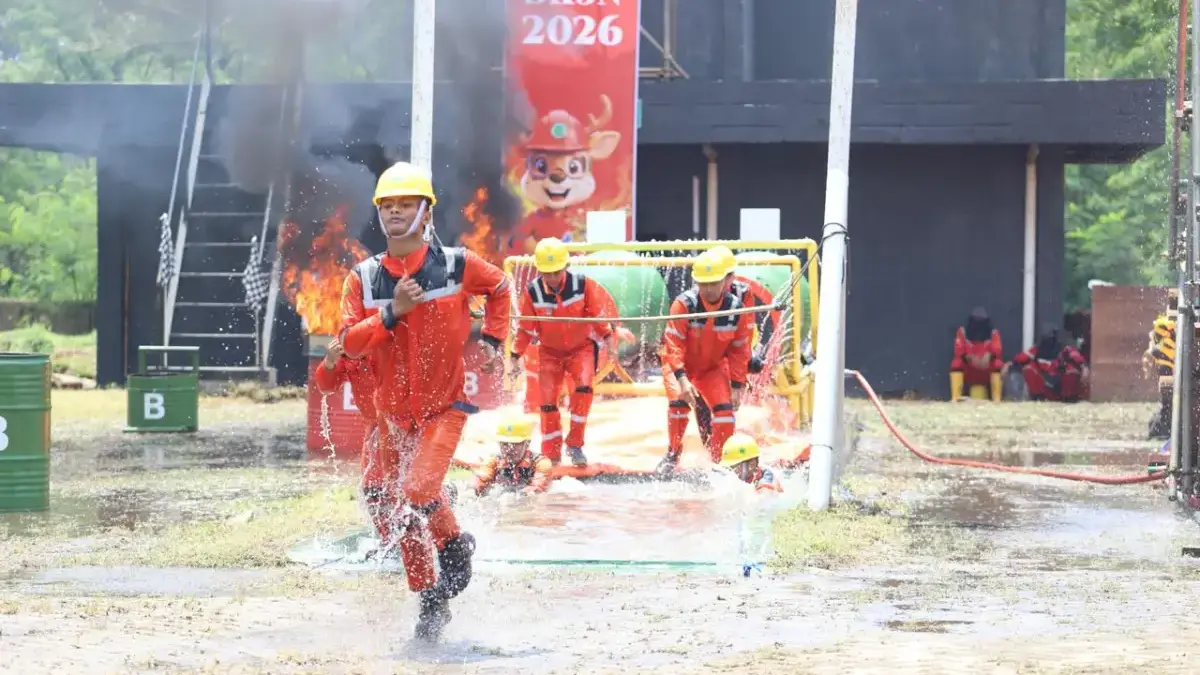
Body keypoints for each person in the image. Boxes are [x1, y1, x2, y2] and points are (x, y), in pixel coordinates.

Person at [338, 161, 511, 641]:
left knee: (417, 493)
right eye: (387, 206)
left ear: (426, 210)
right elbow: (349, 343)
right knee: (381, 500)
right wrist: (394, 312)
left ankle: (455, 542)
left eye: (406, 205)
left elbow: (500, 287)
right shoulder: (364, 277)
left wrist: (495, 342)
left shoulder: (456, 265)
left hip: (443, 411)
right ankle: (429, 596)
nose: (395, 213)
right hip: (390, 419)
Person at [509, 237, 615, 467]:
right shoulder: (532, 293)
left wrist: (609, 341)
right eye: (548, 273)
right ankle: (551, 453)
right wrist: (514, 356)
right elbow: (525, 330)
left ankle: (575, 445)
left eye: (557, 271)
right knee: (547, 403)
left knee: (584, 389)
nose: (553, 278)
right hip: (550, 352)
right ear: (539, 270)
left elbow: (598, 317)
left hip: (581, 349)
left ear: (566, 266)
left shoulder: (582, 285)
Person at [656, 249, 754, 474]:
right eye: (703, 284)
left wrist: (738, 384)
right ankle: (672, 453)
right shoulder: (683, 305)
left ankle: (721, 463)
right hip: (679, 367)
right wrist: (682, 379)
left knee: (725, 412)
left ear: (725, 281)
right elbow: (673, 345)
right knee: (678, 405)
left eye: (714, 283)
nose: (708, 289)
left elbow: (740, 349)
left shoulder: (736, 308)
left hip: (712, 368)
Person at [311, 337, 394, 546]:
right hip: (376, 428)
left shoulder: (391, 335)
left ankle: (442, 499)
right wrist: (330, 361)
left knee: (409, 486)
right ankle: (388, 540)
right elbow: (326, 386)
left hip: (404, 425)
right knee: (373, 489)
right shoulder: (347, 346)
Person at [708, 245, 778, 375]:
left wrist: (742, 359)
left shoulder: (743, 292)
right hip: (704, 348)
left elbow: (747, 331)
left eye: (724, 278)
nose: (718, 284)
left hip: (734, 342)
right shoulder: (696, 295)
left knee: (753, 364)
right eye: (713, 279)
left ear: (732, 277)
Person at [473, 416, 554, 496]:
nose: (509, 449)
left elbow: (536, 489)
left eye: (515, 444)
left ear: (527, 443)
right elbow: (479, 485)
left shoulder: (541, 463)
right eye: (504, 444)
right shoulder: (493, 461)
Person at [1010, 325, 1088, 403]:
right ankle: (1037, 397)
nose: (1048, 340)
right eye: (1046, 337)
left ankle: (1070, 398)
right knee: (1028, 368)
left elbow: (1077, 357)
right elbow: (1019, 358)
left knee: (1072, 370)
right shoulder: (1036, 350)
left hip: (1061, 384)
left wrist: (1084, 367)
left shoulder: (1065, 350)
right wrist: (1009, 365)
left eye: (1050, 337)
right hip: (1044, 388)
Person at [949, 307, 1004, 402]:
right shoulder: (962, 332)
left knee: (998, 364)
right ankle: (955, 398)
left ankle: (997, 399)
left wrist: (989, 356)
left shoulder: (993, 333)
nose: (979, 325)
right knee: (956, 363)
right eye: (976, 321)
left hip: (986, 368)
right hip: (969, 369)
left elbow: (997, 350)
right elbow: (959, 350)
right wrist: (970, 357)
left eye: (982, 321)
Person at [719, 432, 783, 492]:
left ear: (751, 464)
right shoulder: (733, 478)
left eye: (735, 467)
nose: (732, 471)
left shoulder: (765, 479)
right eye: (729, 467)